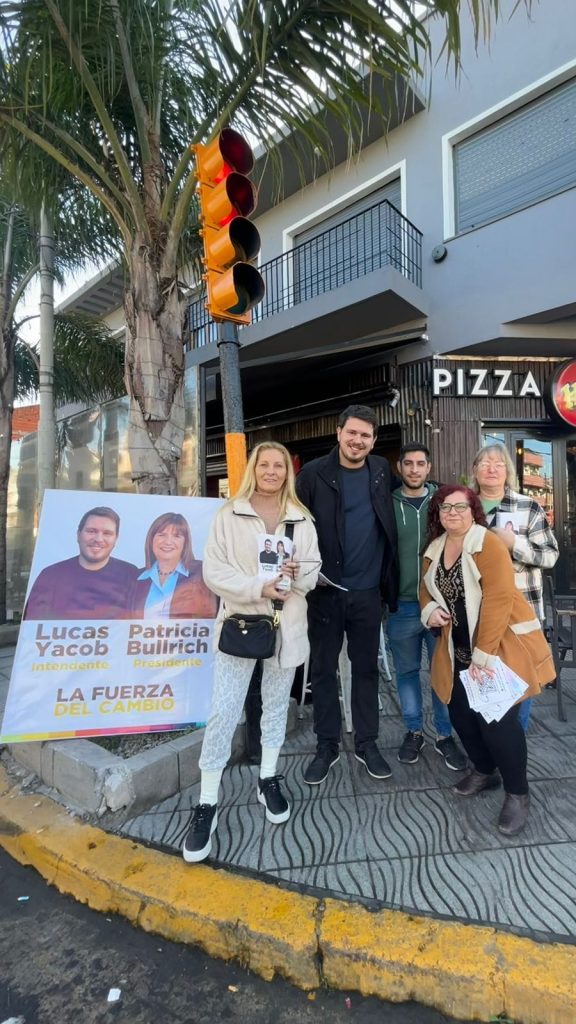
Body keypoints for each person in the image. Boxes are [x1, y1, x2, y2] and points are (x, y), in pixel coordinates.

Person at [182, 442, 320, 864]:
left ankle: (268, 778)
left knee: (275, 706)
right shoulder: (230, 514)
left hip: (286, 626)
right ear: (253, 469)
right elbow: (214, 572)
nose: (272, 471)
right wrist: (258, 587)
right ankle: (207, 801)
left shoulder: (301, 518)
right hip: (240, 624)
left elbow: (313, 569)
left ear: (287, 472)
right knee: (225, 710)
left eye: (279, 465)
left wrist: (297, 577)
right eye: (265, 465)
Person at [420, 485, 555, 836]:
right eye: (445, 507)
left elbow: (498, 599)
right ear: (438, 514)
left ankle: (517, 793)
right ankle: (484, 770)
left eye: (460, 507)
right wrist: (430, 610)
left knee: (498, 724)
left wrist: (483, 655)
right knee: (461, 717)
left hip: (496, 649)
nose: (452, 513)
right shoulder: (434, 548)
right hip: (456, 650)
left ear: (473, 511)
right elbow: (425, 589)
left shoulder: (488, 543)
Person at [295, 404, 398, 785]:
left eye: (365, 435)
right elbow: (295, 525)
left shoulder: (381, 470)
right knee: (323, 671)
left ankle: (367, 743)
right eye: (352, 432)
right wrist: (307, 573)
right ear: (339, 432)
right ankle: (327, 745)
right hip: (326, 592)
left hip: (368, 593)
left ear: (373, 440)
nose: (358, 440)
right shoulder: (312, 474)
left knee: (366, 669)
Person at [388, 444, 466, 770]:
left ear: (429, 468)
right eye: (408, 463)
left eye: (420, 463)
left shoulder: (443, 502)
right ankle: (414, 731)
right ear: (400, 467)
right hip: (401, 605)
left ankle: (445, 735)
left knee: (441, 673)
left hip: (439, 604)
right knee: (406, 672)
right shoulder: (387, 503)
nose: (414, 469)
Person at [471, 442, 559, 731]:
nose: (492, 469)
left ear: (508, 471)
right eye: (485, 463)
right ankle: (489, 746)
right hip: (478, 612)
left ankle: (513, 746)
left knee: (520, 682)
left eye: (498, 464)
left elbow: (550, 555)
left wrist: (515, 544)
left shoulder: (528, 506)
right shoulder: (465, 508)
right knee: (482, 680)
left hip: (521, 612)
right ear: (475, 471)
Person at [24, 506, 138, 620]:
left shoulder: (130, 574)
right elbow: (32, 625)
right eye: (91, 531)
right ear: (78, 535)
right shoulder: (50, 576)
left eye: (107, 533)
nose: (98, 539)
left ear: (116, 539)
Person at [128, 512, 217, 619]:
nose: (168, 542)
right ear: (151, 540)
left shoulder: (202, 573)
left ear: (185, 542)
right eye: (162, 535)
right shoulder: (135, 579)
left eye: (176, 536)